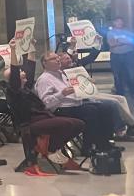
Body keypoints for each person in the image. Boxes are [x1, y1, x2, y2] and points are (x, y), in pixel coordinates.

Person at [5, 41, 84, 174]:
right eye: (19, 71)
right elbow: (14, 71)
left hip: (43, 118)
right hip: (30, 124)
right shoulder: (14, 91)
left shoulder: (26, 87)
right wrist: (13, 49)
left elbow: (30, 66)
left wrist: (31, 47)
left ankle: (52, 148)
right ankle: (51, 150)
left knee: (78, 124)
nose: (22, 71)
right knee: (67, 123)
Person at [34, 51, 118, 155]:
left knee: (106, 107)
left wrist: (87, 84)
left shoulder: (62, 75)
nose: (58, 60)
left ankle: (104, 143)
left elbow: (76, 90)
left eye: (57, 58)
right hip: (61, 109)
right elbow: (45, 103)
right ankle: (87, 147)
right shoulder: (44, 79)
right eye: (54, 59)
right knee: (91, 111)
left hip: (76, 104)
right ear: (45, 63)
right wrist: (62, 94)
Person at [107, 17, 134, 97]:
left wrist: (117, 41)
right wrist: (124, 41)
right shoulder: (110, 32)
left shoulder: (128, 31)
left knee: (131, 74)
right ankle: (120, 93)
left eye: (121, 22)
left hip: (128, 54)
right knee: (117, 75)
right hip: (115, 56)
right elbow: (111, 44)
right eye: (117, 22)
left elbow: (131, 41)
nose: (119, 23)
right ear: (114, 23)